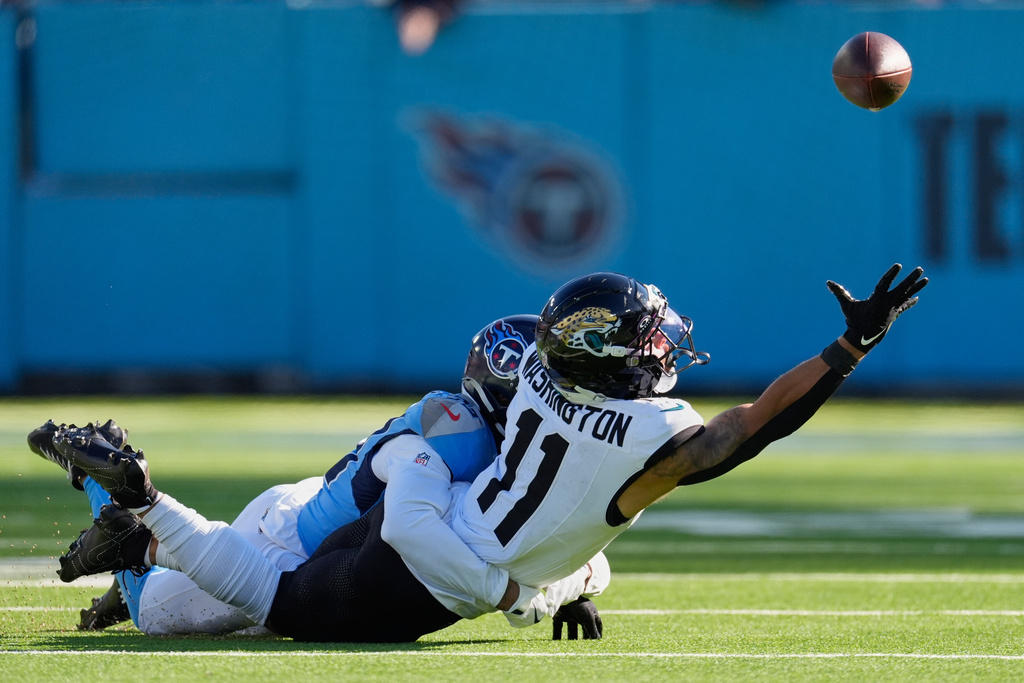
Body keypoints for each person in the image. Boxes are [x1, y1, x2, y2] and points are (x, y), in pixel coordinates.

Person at [52, 263, 926, 642]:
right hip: (429, 560)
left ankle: (140, 528)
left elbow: (555, 508)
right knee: (265, 599)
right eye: (645, 340)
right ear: (603, 357)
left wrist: (565, 582)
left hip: (421, 509)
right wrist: (844, 353)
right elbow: (757, 422)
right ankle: (142, 510)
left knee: (251, 577)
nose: (660, 350)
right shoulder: (650, 440)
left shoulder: (542, 370)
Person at [32, 315, 607, 639]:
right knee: (154, 616)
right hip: (289, 546)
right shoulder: (451, 439)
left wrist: (570, 582)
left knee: (241, 619)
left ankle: (142, 550)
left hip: (316, 524)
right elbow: (412, 528)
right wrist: (523, 592)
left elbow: (560, 536)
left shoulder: (487, 439)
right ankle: (111, 498)